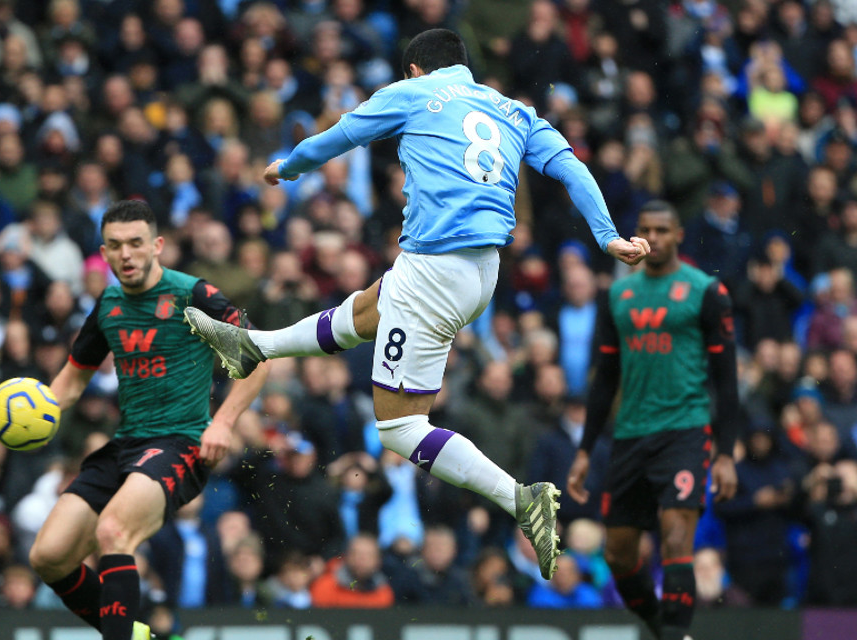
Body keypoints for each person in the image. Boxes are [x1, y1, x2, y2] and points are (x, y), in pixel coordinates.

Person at [184, 28, 648, 580]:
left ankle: (521, 499)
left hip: (435, 267)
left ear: (414, 70)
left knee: (400, 429)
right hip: (482, 272)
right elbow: (570, 167)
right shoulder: (514, 111)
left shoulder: (412, 95)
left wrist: (288, 167)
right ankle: (255, 346)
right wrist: (607, 236)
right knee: (367, 312)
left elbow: (340, 136)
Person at [27, 200, 269, 640]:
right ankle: (138, 635)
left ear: (157, 245)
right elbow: (70, 383)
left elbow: (258, 359)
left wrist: (224, 422)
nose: (127, 254)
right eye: (116, 245)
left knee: (114, 530)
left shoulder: (193, 296)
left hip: (182, 441)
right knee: (48, 555)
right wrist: (32, 411)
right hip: (126, 445)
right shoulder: (109, 304)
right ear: (103, 252)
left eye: (136, 243)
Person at [566, 200, 740, 640]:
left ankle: (677, 634)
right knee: (619, 554)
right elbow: (605, 378)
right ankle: (661, 629)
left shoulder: (705, 291)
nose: (654, 238)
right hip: (630, 433)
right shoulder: (617, 295)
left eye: (663, 230)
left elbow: (726, 378)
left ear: (679, 235)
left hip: (685, 429)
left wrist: (725, 453)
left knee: (677, 537)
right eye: (645, 229)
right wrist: (585, 450)